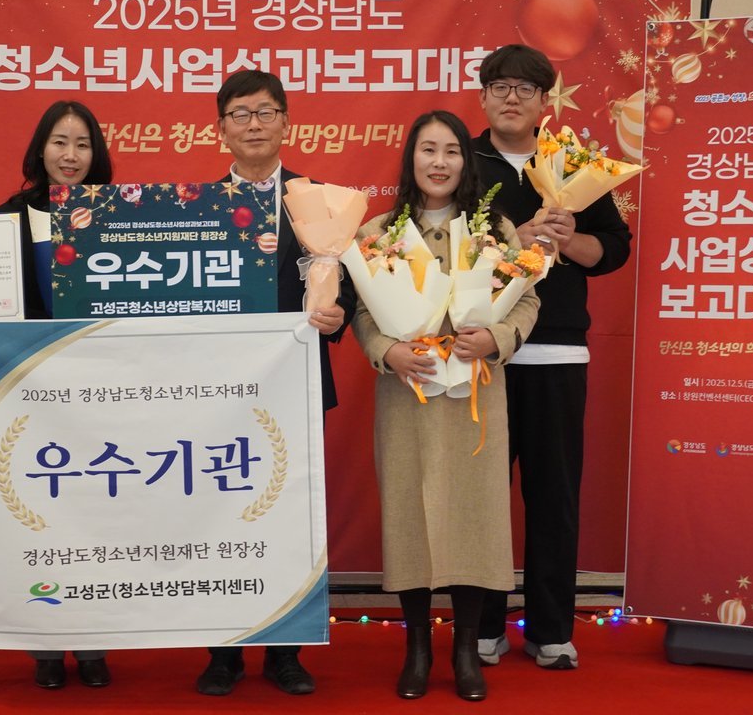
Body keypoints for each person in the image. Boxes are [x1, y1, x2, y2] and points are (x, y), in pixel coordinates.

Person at [351, 111, 538, 701]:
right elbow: (362, 311)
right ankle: (416, 649)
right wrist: (386, 351)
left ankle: (465, 650)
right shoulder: (380, 231)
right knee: (409, 515)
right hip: (407, 393)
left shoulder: (494, 230)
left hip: (474, 394)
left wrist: (497, 338)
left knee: (473, 517)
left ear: (466, 161)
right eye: (427, 150)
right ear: (411, 158)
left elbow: (526, 301)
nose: (439, 162)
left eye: (451, 150)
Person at [194, 69, 355, 697]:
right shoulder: (194, 207)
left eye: (265, 112)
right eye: (240, 114)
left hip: (296, 384)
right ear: (221, 129)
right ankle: (224, 652)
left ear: (287, 122)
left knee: (292, 517)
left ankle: (288, 651)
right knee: (217, 513)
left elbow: (348, 291)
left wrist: (338, 316)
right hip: (217, 392)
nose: (254, 124)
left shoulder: (320, 202)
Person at [471, 45, 632, 671]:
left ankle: (551, 629)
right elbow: (438, 250)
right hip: (481, 352)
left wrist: (573, 238)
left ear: (545, 101)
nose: (512, 98)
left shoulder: (572, 164)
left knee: (554, 496)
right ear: (483, 97)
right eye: (500, 87)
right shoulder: (463, 162)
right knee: (482, 498)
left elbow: (612, 250)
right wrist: (508, 244)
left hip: (558, 351)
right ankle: (482, 627)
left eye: (526, 89)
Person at [0, 100, 115, 689]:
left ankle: (93, 645)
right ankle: (44, 645)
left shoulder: (120, 214)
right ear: (40, 149)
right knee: (39, 520)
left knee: (96, 517)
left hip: (100, 394)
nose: (70, 155)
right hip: (30, 395)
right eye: (60, 142)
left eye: (82, 144)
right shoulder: (5, 221)